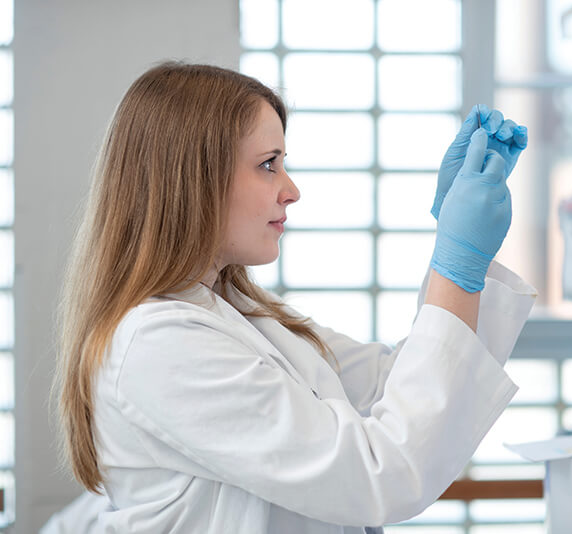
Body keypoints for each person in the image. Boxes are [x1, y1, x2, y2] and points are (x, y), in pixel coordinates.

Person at [46, 62, 535, 533]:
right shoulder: (157, 346)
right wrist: (457, 265)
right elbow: (380, 471)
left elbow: (396, 386)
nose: (291, 190)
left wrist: (455, 259)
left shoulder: (243, 317)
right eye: (268, 165)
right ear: (193, 181)